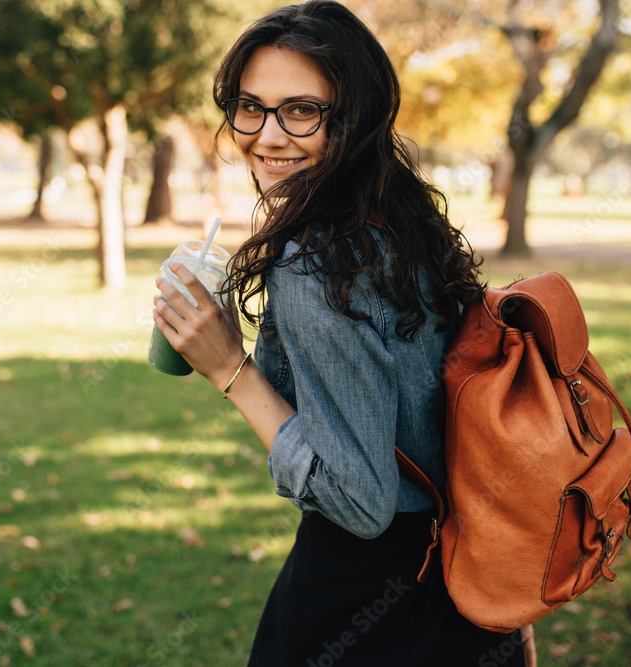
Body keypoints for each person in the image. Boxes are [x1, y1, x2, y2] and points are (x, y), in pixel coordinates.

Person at [152, 1, 528, 664]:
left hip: (361, 602)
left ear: (351, 118)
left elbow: (360, 502)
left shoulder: (316, 263)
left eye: (300, 110)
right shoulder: (400, 221)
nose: (266, 136)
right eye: (250, 106)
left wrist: (228, 368)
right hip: (465, 584)